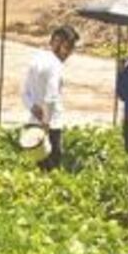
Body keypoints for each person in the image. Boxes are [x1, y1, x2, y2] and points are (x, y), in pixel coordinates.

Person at [22, 25, 79, 171]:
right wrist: (46, 124)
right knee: (51, 170)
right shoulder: (55, 65)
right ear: (58, 43)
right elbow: (51, 96)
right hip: (51, 126)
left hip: (32, 124)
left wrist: (33, 107)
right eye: (68, 47)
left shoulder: (36, 59)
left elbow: (25, 93)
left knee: (35, 168)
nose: (68, 53)